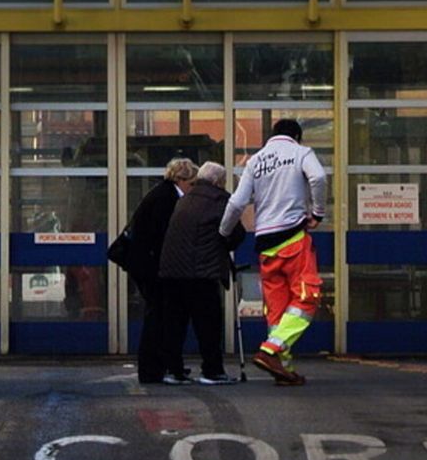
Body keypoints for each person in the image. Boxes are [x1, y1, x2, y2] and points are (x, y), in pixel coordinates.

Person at [220, 118, 327, 385]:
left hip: (265, 244)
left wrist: (222, 233)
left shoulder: (255, 161)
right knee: (306, 298)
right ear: (297, 137)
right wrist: (318, 213)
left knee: (277, 311)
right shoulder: (301, 153)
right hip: (293, 238)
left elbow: (237, 203)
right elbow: (319, 177)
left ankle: (283, 370)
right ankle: (271, 350)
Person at [159, 161, 245, 385]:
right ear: (218, 181)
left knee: (175, 323)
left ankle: (174, 370)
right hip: (201, 272)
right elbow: (236, 234)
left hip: (173, 271)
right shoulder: (219, 200)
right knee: (208, 324)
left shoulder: (185, 199)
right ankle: (212, 370)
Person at [124, 157, 198, 384]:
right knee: (158, 317)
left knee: (159, 316)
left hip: (150, 264)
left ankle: (162, 366)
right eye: (191, 183)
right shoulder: (167, 198)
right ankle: (153, 369)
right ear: (181, 179)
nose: (192, 188)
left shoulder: (162, 194)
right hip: (154, 267)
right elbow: (161, 236)